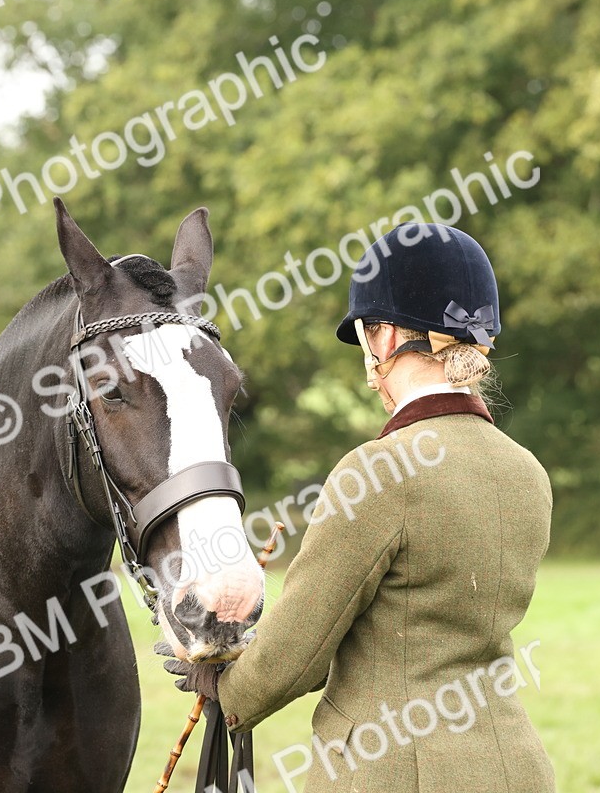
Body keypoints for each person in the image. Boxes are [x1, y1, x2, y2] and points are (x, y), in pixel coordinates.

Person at [160, 223, 555, 791]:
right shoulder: (528, 473)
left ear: (387, 339)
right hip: (518, 765)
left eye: (368, 335)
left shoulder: (378, 473)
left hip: (392, 770)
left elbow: (298, 655)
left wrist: (218, 682)